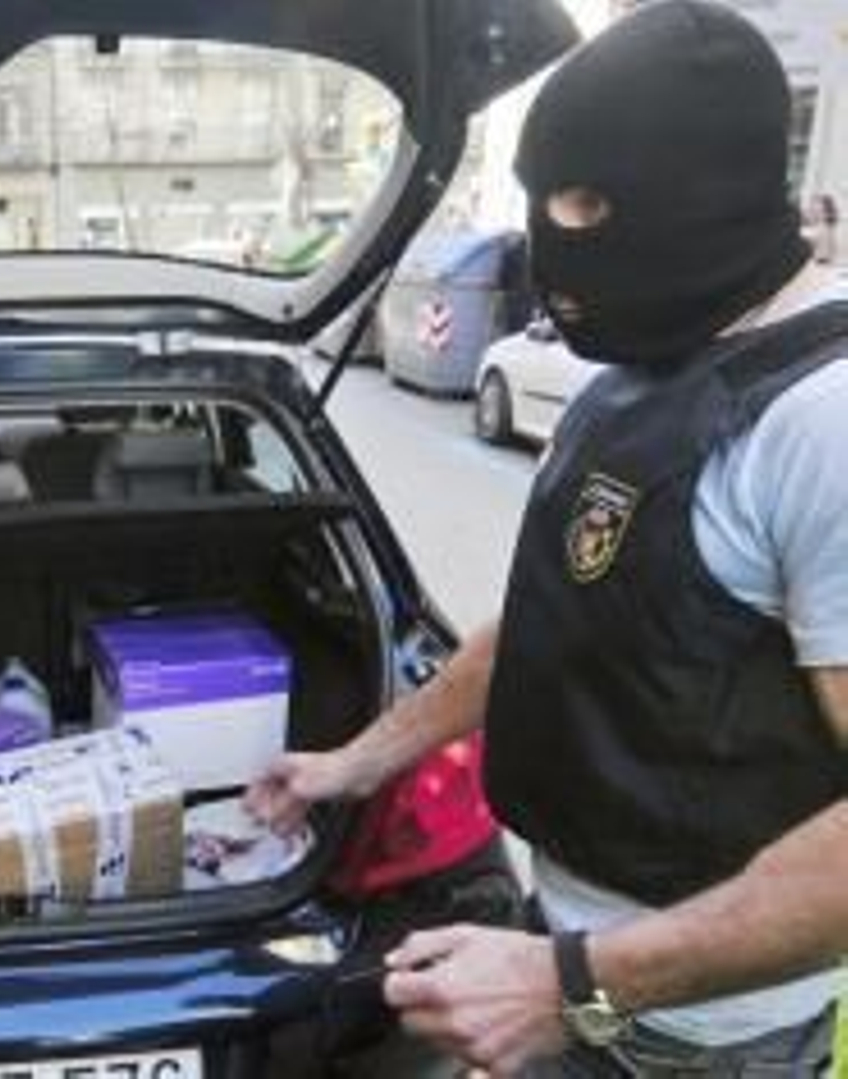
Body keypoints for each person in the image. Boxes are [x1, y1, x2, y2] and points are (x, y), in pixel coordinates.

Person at [247, 3, 847, 1075]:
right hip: (579, 960)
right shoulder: (634, 370)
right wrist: (355, 760)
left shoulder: (822, 421)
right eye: (535, 197)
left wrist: (569, 981)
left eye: (582, 200)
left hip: (703, 1036)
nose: (546, 237)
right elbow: (551, 619)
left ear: (703, 191)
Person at [803, 193, 839, 267]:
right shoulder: (827, 227)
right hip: (824, 262)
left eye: (819, 210)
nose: (814, 212)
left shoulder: (823, 228)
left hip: (822, 263)